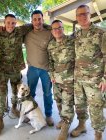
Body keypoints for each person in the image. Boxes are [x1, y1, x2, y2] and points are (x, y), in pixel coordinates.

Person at [71, 5, 106, 140]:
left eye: (85, 13)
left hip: (95, 80)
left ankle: (98, 134)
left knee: (96, 108)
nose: (82, 16)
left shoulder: (101, 33)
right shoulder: (76, 34)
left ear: (89, 14)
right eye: (79, 14)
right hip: (78, 78)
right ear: (76, 17)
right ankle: (81, 125)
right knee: (80, 105)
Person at [24, 10, 54, 126]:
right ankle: (29, 113)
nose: (37, 22)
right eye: (35, 19)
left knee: (47, 93)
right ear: (31, 21)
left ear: (43, 20)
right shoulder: (26, 34)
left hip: (46, 69)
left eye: (39, 19)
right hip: (32, 69)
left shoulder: (49, 33)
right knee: (30, 93)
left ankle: (49, 114)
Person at [48, 20, 75, 140]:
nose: (57, 30)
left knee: (67, 105)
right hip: (56, 80)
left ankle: (65, 129)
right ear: (52, 31)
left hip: (69, 80)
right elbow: (50, 62)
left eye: (59, 28)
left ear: (63, 28)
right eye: (54, 28)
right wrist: (52, 75)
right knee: (58, 102)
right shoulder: (51, 45)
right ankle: (63, 120)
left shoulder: (72, 41)